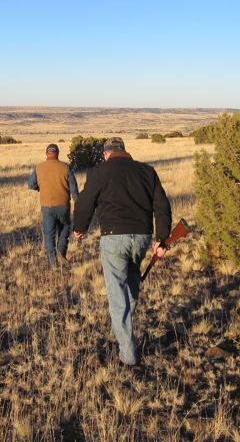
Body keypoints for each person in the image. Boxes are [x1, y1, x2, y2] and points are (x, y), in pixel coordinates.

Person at [73, 137, 172, 366]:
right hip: (142, 239)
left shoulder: (98, 172)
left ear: (106, 154)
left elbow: (85, 202)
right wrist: (162, 239)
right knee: (131, 286)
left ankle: (128, 357)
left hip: (113, 239)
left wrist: (80, 228)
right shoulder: (147, 171)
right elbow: (162, 206)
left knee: (118, 298)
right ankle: (126, 329)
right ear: (124, 151)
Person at [28, 143, 79, 266]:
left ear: (46, 154)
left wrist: (40, 188)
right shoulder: (66, 167)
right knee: (64, 230)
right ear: (58, 154)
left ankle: (53, 263)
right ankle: (61, 253)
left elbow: (30, 184)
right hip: (63, 206)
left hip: (47, 207)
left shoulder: (39, 167)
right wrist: (78, 205)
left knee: (49, 235)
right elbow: (74, 190)